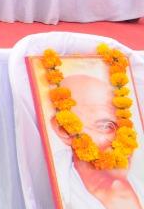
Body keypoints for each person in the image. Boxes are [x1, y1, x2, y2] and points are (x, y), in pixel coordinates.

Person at [48, 72, 144, 209]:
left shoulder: (139, 188)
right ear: (65, 130)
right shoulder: (53, 185)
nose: (125, 142)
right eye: (106, 126)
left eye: (126, 127)